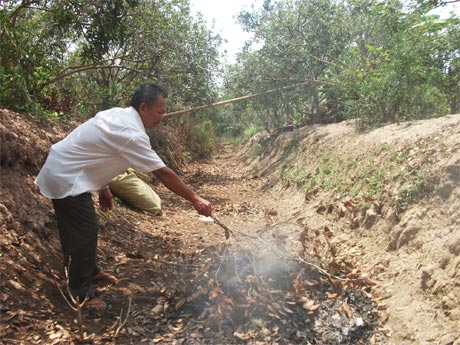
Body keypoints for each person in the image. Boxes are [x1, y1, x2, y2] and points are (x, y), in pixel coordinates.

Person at [35, 83, 213, 310]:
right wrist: (195, 199)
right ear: (143, 107)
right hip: (65, 176)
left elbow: (97, 152)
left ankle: (90, 271)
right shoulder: (132, 134)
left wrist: (103, 186)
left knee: (84, 229)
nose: (162, 117)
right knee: (83, 230)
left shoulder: (118, 115)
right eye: (159, 111)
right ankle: (80, 294)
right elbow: (163, 173)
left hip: (67, 169)